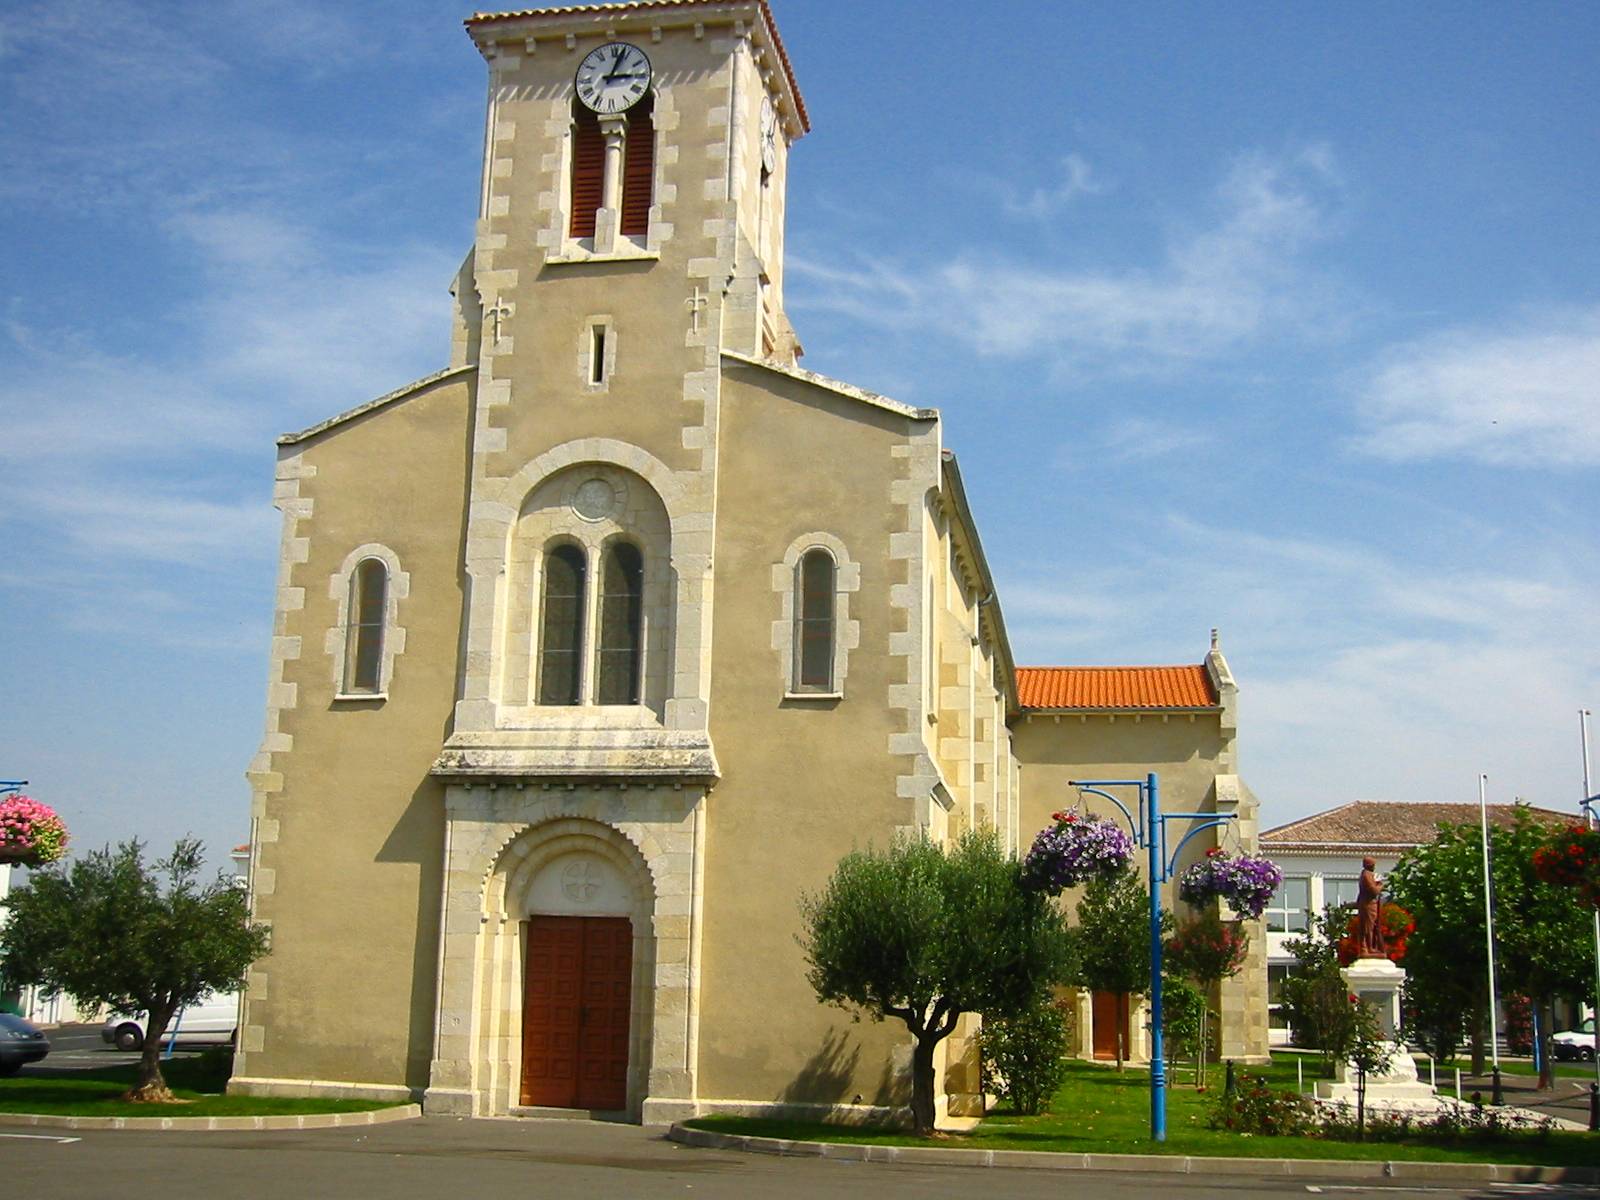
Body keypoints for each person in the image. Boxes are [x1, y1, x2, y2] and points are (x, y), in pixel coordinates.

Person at [1355, 856, 1386, 958]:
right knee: (1368, 927)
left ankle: (1369, 947)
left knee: (1371, 926)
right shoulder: (1366, 875)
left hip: (1370, 904)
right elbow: (1374, 891)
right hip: (1368, 905)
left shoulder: (1367, 875)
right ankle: (1367, 948)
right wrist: (1380, 885)